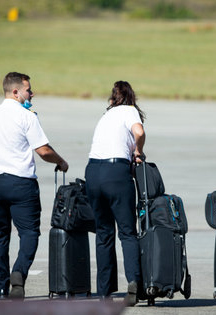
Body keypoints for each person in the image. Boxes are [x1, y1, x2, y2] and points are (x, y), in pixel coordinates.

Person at [0, 72, 69, 300]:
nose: (32, 93)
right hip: (20, 183)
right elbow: (43, 150)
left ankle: (1, 288)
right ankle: (19, 272)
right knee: (29, 233)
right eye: (29, 90)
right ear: (16, 92)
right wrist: (60, 161)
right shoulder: (27, 116)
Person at [85, 81, 145, 306]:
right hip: (116, 172)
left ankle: (104, 291)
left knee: (103, 233)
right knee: (128, 232)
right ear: (131, 98)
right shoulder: (129, 110)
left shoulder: (105, 115)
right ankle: (133, 282)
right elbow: (139, 132)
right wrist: (138, 151)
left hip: (93, 171)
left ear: (112, 99)